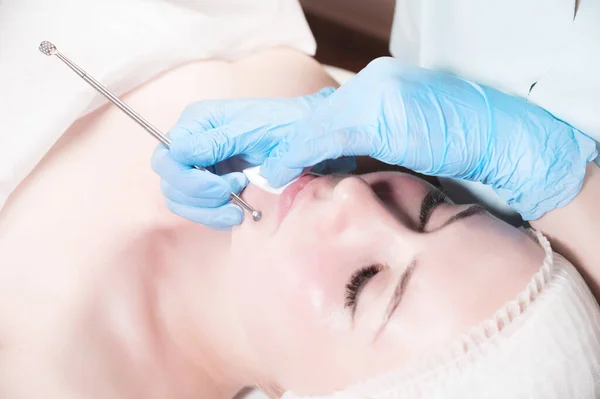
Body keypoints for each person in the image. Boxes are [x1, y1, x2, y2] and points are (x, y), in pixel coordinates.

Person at [1, 52, 599, 397]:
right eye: (432, 208)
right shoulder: (280, 88)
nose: (355, 201)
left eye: (363, 282)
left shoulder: (45, 379)